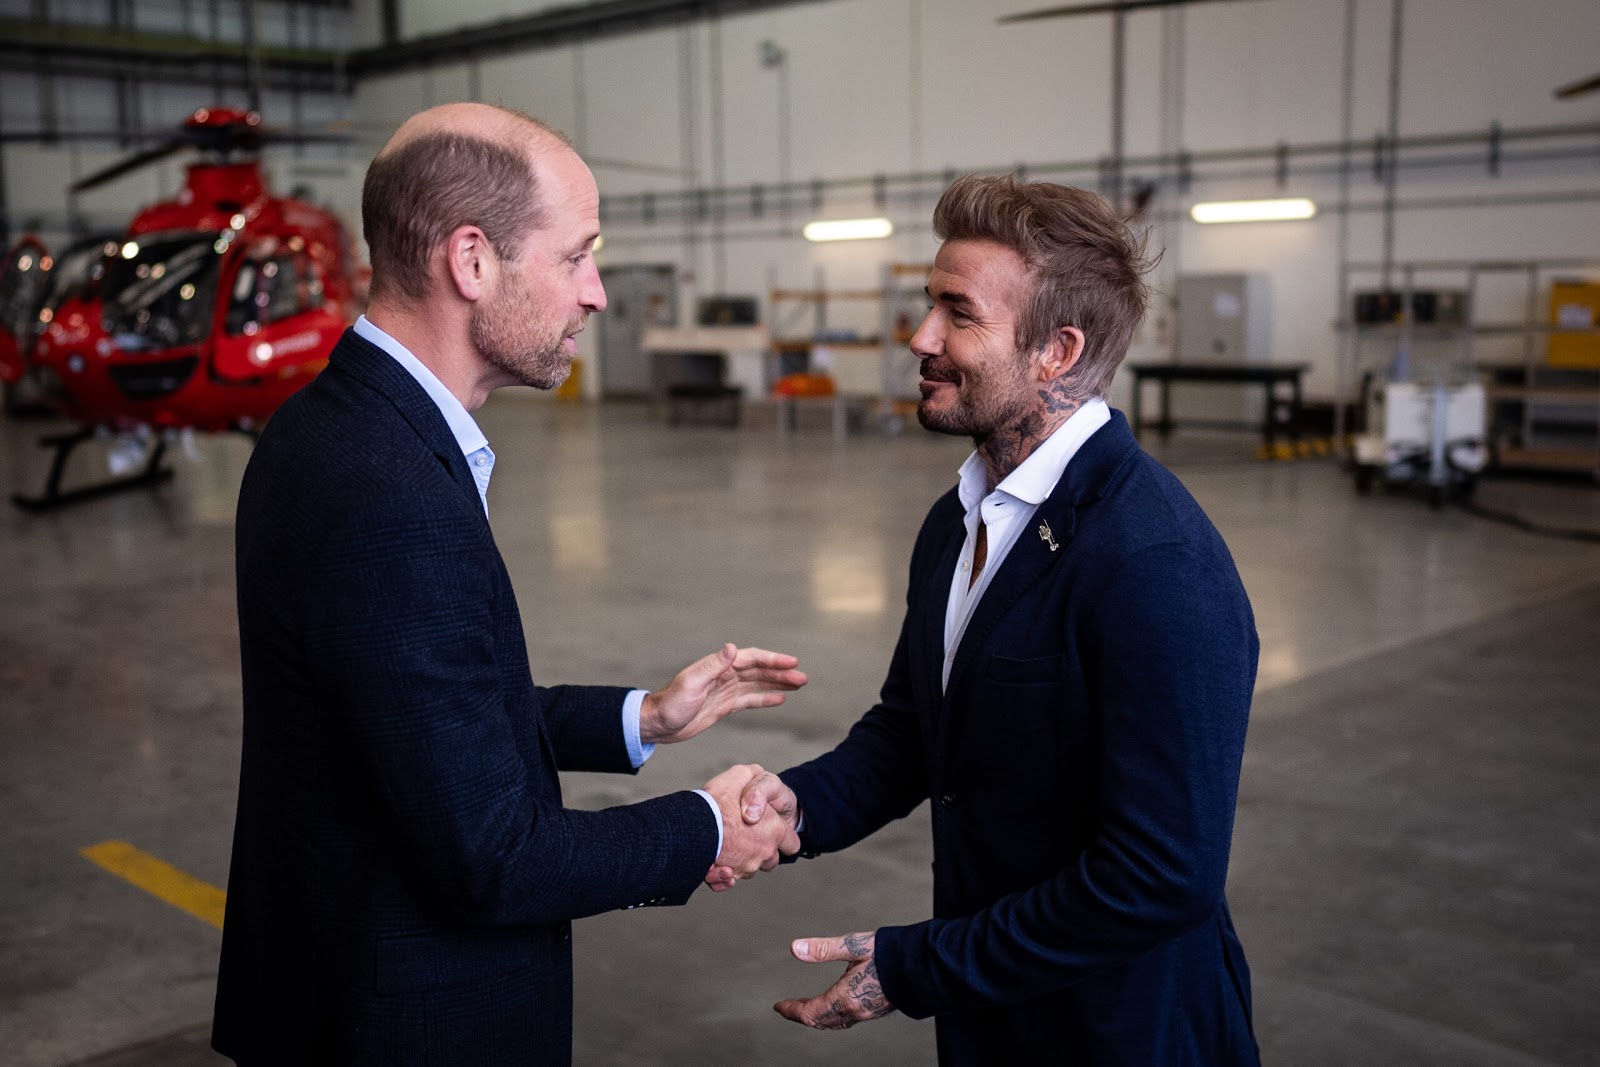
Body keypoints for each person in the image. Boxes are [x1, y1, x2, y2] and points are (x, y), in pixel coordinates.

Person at [213, 103, 803, 1066]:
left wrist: (641, 718)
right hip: (401, 1024)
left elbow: (415, 706)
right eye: (576, 257)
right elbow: (495, 858)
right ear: (473, 261)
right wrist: (705, 828)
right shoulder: (383, 487)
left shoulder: (341, 428)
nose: (598, 293)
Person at [728, 175, 1261, 1064]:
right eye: (926, 303)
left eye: (957, 313)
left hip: (1124, 1030)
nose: (920, 337)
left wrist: (917, 965)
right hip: (996, 1017)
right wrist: (799, 808)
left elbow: (1162, 878)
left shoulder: (1154, 562)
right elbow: (914, 732)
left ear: (1058, 350)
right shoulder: (961, 519)